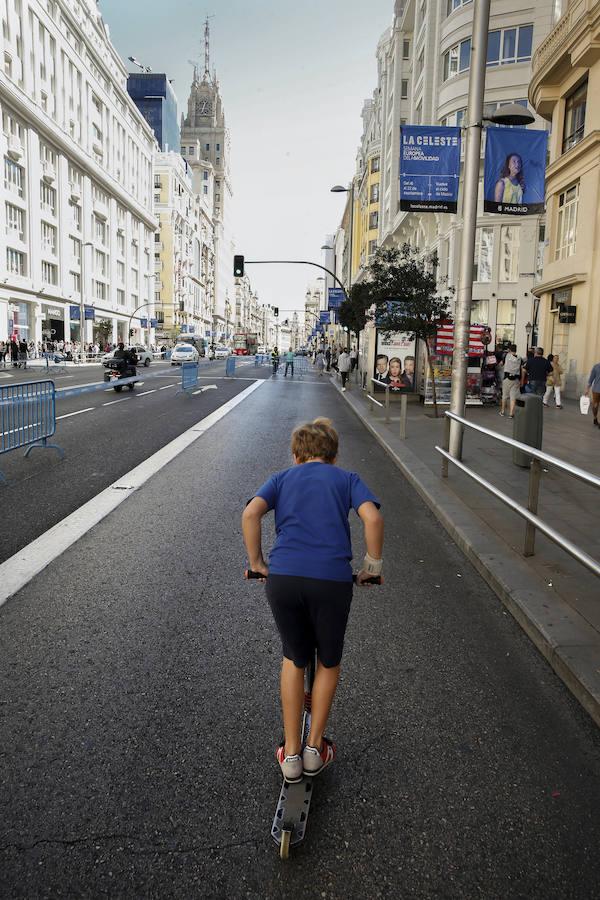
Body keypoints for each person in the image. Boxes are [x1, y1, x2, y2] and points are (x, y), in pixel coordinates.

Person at [241, 417, 384, 782]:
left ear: (296, 455)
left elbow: (250, 513)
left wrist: (258, 563)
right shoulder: (347, 479)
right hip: (331, 582)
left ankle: (289, 753)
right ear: (334, 457)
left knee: (294, 657)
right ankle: (314, 748)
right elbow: (372, 518)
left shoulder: (281, 478)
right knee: (329, 662)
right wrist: (371, 566)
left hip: (285, 577)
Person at [499, 343, 522, 418]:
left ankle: (502, 411)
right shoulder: (519, 358)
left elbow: (501, 364)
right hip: (516, 379)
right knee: (513, 396)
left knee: (504, 395)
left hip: (507, 378)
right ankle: (511, 413)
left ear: (509, 349)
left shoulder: (506, 356)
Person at [584, 359, 600, 427]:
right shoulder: (596, 367)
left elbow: (591, 379)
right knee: (595, 405)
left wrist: (587, 389)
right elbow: (591, 379)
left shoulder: (596, 366)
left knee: (595, 405)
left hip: (596, 389)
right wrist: (587, 389)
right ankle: (595, 418)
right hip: (596, 390)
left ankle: (596, 418)